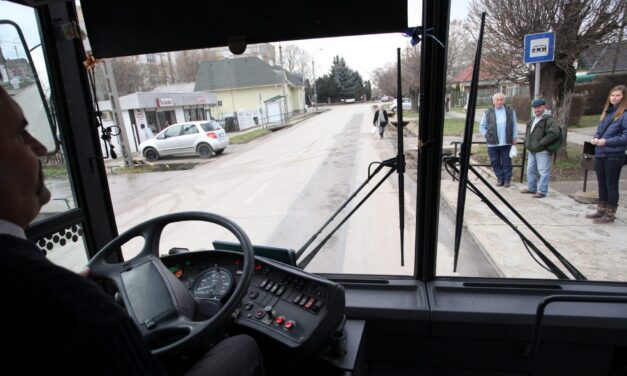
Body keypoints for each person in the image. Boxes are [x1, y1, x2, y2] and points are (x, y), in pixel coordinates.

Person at [0, 85, 264, 375]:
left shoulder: (39, 289)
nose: (39, 147)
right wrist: (81, 296)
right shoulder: (77, 308)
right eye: (20, 135)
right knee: (242, 345)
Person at [585, 85, 627, 224]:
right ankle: (601, 209)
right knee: (602, 184)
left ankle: (610, 214)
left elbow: (625, 137)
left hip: (614, 154)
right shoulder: (607, 112)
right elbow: (600, 130)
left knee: (611, 185)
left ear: (623, 97)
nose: (614, 98)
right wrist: (595, 139)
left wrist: (606, 141)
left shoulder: (624, 114)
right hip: (601, 153)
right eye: (612, 95)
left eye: (618, 95)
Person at [520, 98, 560, 198]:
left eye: (539, 107)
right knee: (530, 170)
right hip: (532, 150)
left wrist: (541, 143)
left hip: (542, 150)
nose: (537, 109)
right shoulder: (533, 119)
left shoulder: (548, 119)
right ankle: (531, 188)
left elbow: (554, 133)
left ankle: (542, 191)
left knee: (543, 171)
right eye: (535, 108)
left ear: (544, 107)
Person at [479, 92, 518, 188]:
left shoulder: (510, 111)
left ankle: (507, 180)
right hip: (492, 144)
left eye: (501, 100)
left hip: (506, 142)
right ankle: (500, 179)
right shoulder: (488, 112)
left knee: (506, 162)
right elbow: (482, 126)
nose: (499, 102)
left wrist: (514, 137)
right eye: (497, 100)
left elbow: (514, 125)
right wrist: (487, 136)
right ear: (494, 101)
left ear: (504, 101)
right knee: (495, 162)